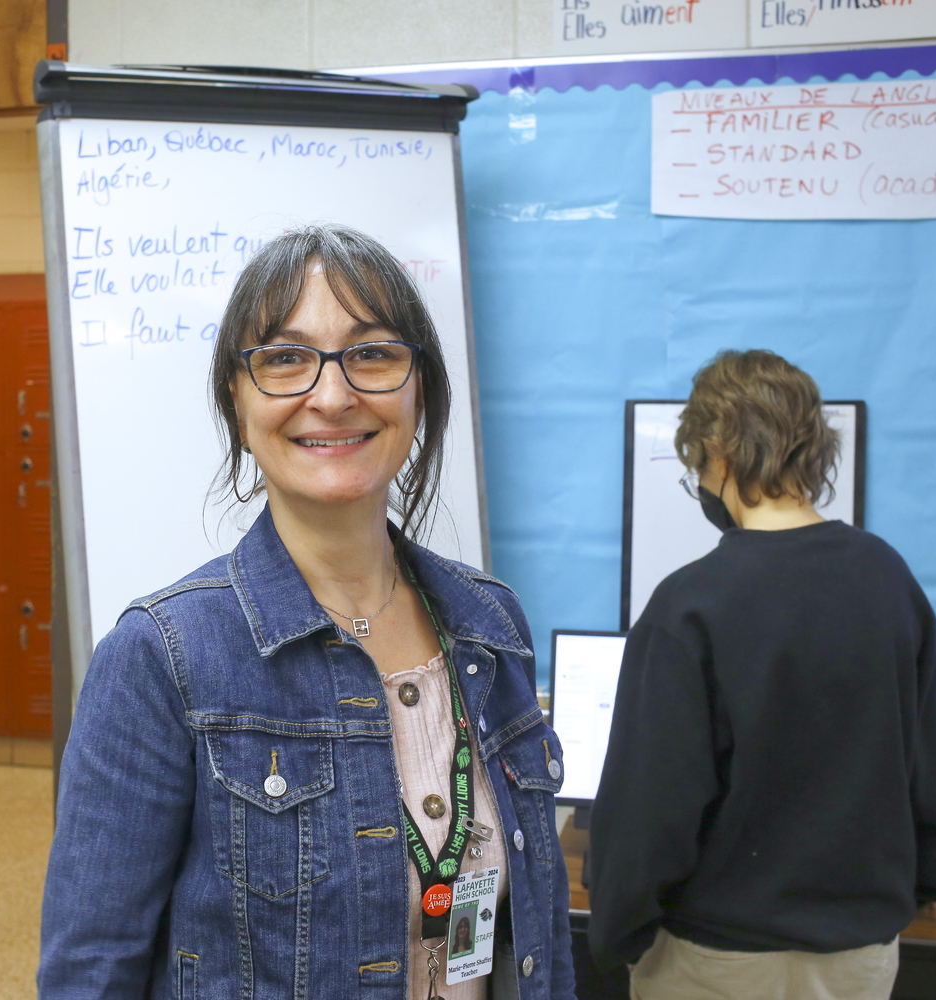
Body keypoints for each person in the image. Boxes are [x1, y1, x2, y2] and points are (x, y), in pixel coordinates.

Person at [40, 224, 574, 1000]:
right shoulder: (162, 659)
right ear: (237, 396)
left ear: (418, 389)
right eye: (285, 359)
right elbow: (89, 976)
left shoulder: (491, 627)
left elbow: (542, 937)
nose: (332, 395)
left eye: (373, 354)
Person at [586, 349, 936, 1000]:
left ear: (715, 452)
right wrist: (935, 885)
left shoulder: (688, 605)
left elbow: (650, 810)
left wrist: (618, 933)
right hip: (861, 958)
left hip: (719, 958)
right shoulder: (888, 579)